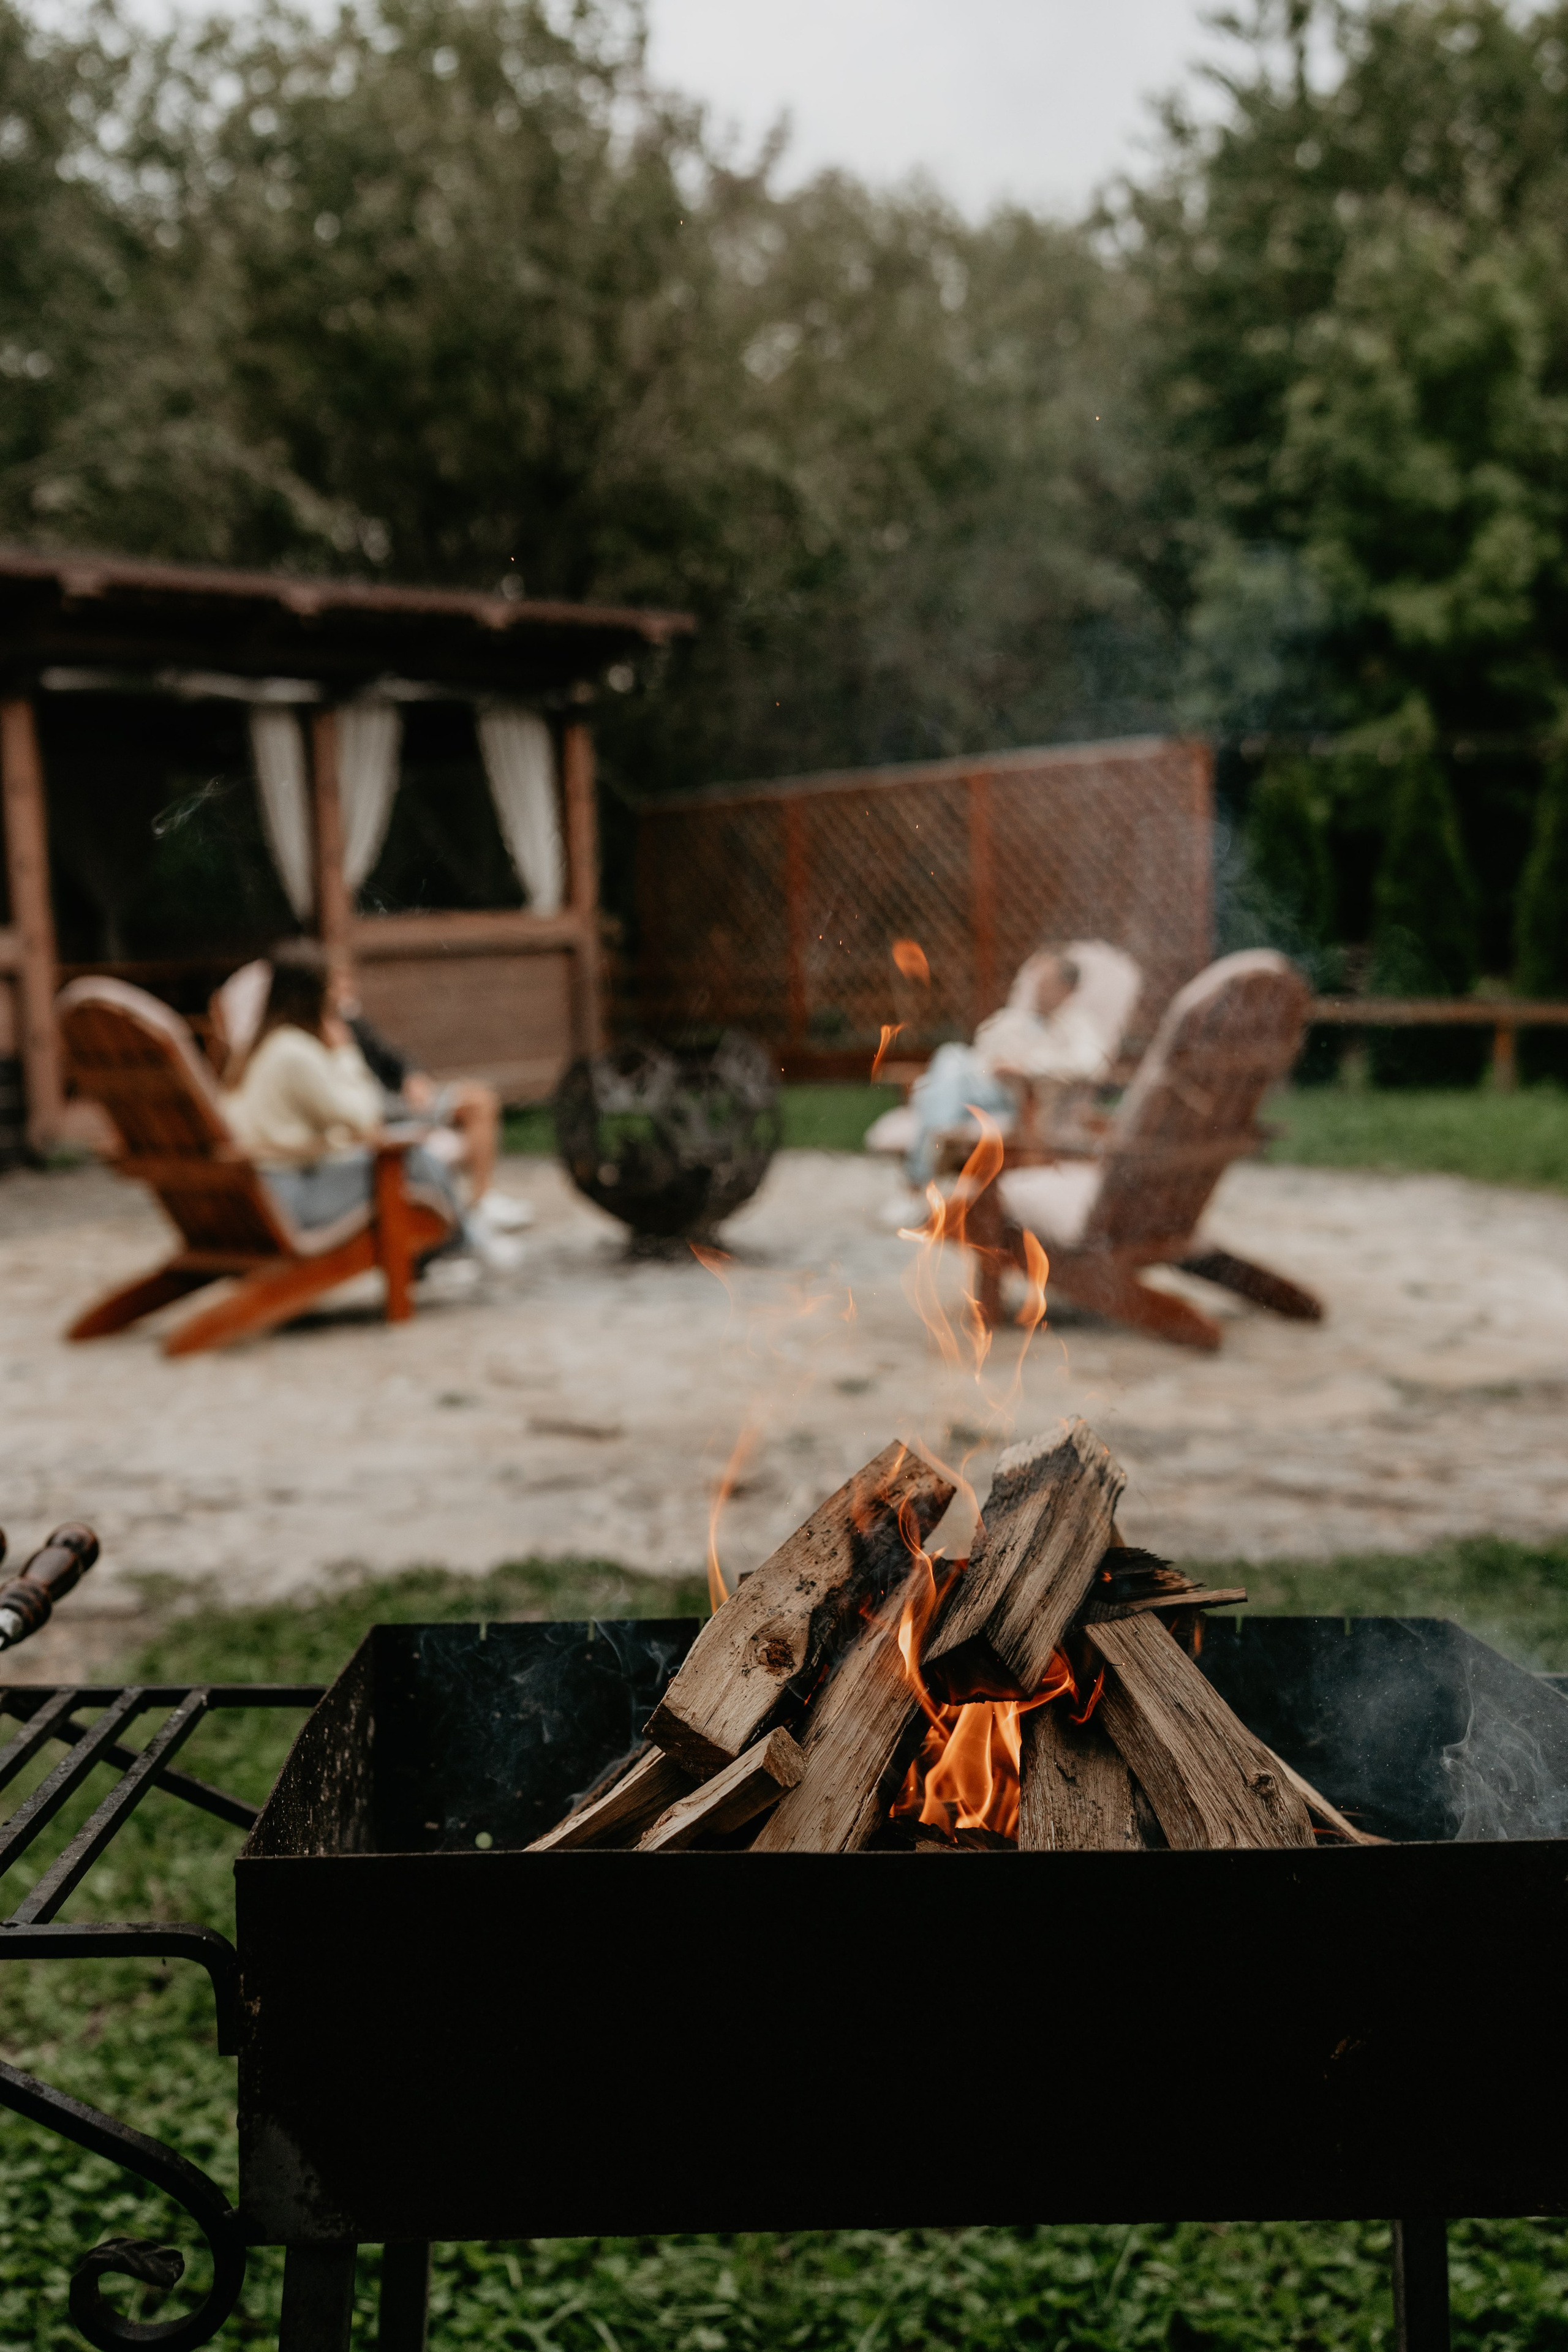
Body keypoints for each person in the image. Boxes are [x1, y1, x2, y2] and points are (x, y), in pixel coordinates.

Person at [213, 951, 529, 1260]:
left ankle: (447, 1246)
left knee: (406, 1157)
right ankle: (465, 1242)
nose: (342, 996)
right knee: (412, 1157)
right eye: (333, 985)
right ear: (312, 994)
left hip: (265, 1193)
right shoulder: (294, 1053)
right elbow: (364, 1117)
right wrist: (344, 1052)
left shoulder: (261, 1049)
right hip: (293, 1198)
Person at [865, 938, 1143, 1190]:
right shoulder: (1018, 1018)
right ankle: (936, 1137)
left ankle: (920, 1178)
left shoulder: (1078, 1025)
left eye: (1046, 983)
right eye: (1036, 982)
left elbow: (1091, 1065)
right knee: (952, 1057)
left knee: (947, 1071)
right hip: (978, 1085)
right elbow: (984, 1044)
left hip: (1023, 1099)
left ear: (1067, 990)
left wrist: (1025, 1066)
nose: (1036, 989)